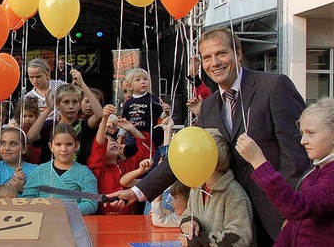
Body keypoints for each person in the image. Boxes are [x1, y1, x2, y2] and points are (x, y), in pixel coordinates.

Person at [106, 27, 310, 245]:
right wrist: (138, 191)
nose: (215, 63)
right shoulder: (209, 106)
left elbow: (297, 156)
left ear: (238, 53)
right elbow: (186, 159)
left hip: (277, 217)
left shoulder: (274, 87)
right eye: (207, 57)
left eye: (221, 53)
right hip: (230, 220)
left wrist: (292, 210)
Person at [236, 97, 334, 246]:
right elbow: (292, 226)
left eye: (311, 133)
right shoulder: (314, 174)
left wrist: (258, 161)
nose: (303, 141)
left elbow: (296, 206)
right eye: (302, 133)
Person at [179, 128, 253, 247]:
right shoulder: (197, 188)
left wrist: (198, 240)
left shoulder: (234, 194)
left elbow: (240, 238)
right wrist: (190, 222)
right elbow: (189, 212)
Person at [28, 70, 103, 165]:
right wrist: (49, 109)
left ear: (79, 105)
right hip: (50, 175)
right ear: (58, 105)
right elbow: (30, 137)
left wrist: (82, 84)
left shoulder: (83, 125)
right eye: (66, 102)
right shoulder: (50, 126)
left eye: (75, 102)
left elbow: (100, 115)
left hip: (76, 174)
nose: (71, 106)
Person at [23, 124, 98, 215]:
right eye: (58, 144)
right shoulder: (38, 172)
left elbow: (91, 203)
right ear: (51, 146)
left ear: (76, 146)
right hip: (43, 221)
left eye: (69, 144)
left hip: (73, 223)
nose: (63, 149)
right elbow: (27, 199)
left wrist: (62, 210)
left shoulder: (85, 173)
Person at [0, 128, 37, 197]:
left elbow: (40, 196)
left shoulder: (35, 169)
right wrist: (11, 185)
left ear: (24, 149)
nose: (6, 148)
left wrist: (22, 189)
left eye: (13, 144)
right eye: (3, 143)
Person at [120, 68, 163, 134]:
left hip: (148, 135)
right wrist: (121, 135)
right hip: (132, 136)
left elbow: (161, 115)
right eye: (138, 80)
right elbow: (124, 120)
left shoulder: (154, 99)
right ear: (130, 86)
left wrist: (166, 111)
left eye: (145, 79)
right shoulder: (128, 102)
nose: (143, 82)